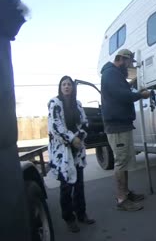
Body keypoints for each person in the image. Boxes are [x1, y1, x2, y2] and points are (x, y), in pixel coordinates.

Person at [101, 49, 150, 211]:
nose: (129, 66)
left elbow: (120, 90)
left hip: (122, 124)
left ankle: (126, 192)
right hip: (117, 126)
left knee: (125, 161)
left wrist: (131, 84)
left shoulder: (115, 75)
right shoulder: (110, 73)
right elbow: (121, 95)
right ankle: (121, 199)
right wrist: (140, 95)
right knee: (121, 161)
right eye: (129, 63)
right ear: (122, 59)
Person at [47, 76, 95, 233]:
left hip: (77, 149)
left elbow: (84, 123)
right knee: (66, 186)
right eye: (64, 84)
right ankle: (69, 218)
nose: (67, 86)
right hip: (63, 151)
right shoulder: (54, 103)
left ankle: (81, 213)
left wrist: (80, 137)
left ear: (73, 87)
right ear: (60, 87)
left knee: (79, 184)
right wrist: (72, 138)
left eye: (69, 84)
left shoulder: (78, 103)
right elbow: (56, 126)